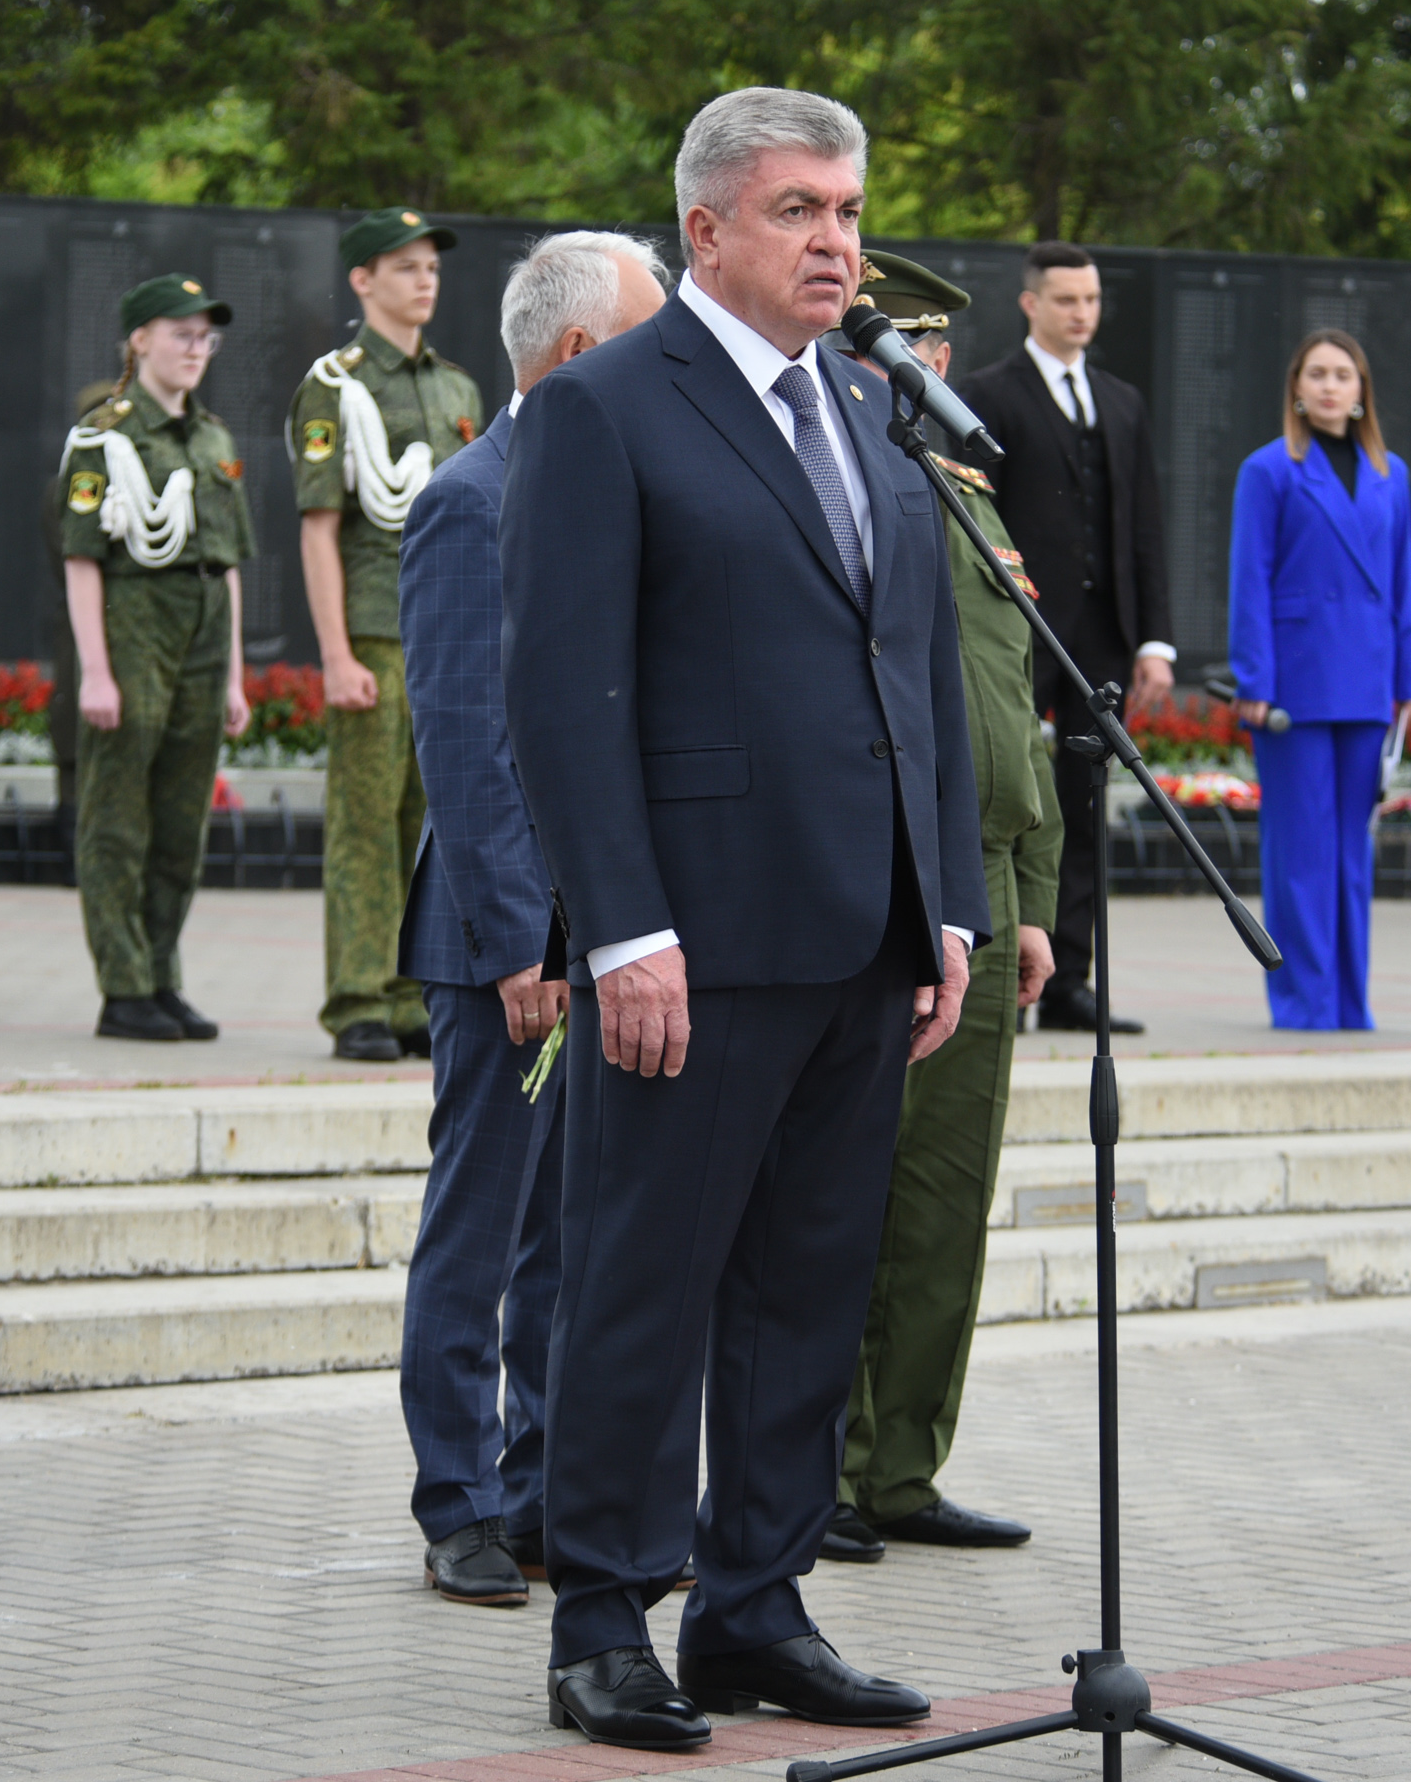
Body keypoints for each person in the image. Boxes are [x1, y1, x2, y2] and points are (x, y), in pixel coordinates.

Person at [502, 87, 987, 1752]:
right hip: (690, 948)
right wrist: (616, 927)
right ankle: (600, 1620)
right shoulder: (611, 409)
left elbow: (911, 673)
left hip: (861, 930)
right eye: (797, 209)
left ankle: (754, 1603)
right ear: (704, 229)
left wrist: (953, 902)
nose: (836, 239)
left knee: (805, 1286)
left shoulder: (866, 412)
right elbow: (561, 691)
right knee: (641, 1279)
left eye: (846, 208)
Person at [395, 229, 669, 1608]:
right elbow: (462, 734)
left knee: (574, 1237)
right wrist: (519, 943)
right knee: (485, 1225)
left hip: (610, 932)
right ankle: (455, 1498)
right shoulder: (471, 497)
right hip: (509, 942)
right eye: (646, 334)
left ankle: (545, 1492)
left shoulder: (611, 491)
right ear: (576, 357)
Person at [821, 253, 1053, 1564]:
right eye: (895, 344)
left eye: (933, 349)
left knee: (944, 1202)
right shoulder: (847, 497)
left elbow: (1015, 717)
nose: (923, 369)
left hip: (984, 886)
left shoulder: (967, 498)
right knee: (848, 1195)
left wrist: (1030, 899)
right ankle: (821, 1471)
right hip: (884, 889)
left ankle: (902, 1465)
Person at [956, 242, 1172, 1036]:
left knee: (1083, 806)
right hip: (1015, 635)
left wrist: (1156, 642)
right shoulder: (984, 395)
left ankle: (1071, 979)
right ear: (1030, 305)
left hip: (1101, 641)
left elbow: (1143, 526)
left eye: (1091, 299)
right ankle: (996, 974)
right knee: (1006, 793)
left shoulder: (1120, 402)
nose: (1083, 312)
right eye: (1066, 299)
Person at [294, 207, 483, 1062]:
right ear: (362, 280)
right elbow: (320, 526)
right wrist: (334, 652)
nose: (425, 279)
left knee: (435, 818)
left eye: (431, 266)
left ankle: (416, 993)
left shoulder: (457, 389)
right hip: (375, 629)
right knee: (367, 822)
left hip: (451, 635)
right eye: (404, 267)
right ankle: (358, 996)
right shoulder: (334, 386)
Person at [59, 275, 252, 1041]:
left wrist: (234, 672)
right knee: (117, 816)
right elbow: (81, 559)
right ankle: (124, 985)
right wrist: (96, 671)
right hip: (133, 616)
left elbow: (230, 562)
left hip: (203, 626)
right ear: (139, 340)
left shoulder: (213, 436)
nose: (196, 349)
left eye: (207, 336)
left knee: (179, 819)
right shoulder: (101, 435)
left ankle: (163, 973)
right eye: (181, 333)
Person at [1226, 329, 1411, 1033]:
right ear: (1297, 390)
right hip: (1294, 689)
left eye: (1344, 374)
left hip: (1367, 683)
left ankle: (1348, 1003)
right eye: (1318, 373)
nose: (1332, 385)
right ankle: (1304, 1003)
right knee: (1300, 853)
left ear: (1362, 388)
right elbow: (1249, 580)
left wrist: (1410, 680)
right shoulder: (1270, 469)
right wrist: (1254, 677)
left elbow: (1402, 584)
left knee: (1350, 855)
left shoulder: (1389, 472)